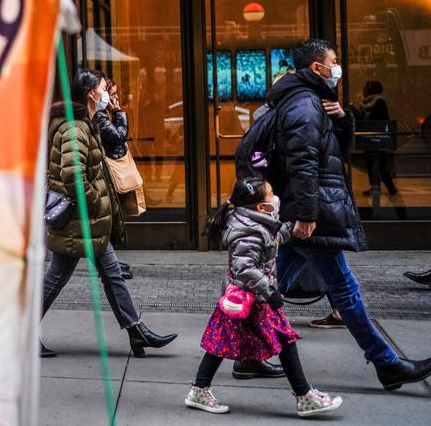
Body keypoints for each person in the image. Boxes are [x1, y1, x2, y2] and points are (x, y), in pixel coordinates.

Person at [237, 39, 431, 391]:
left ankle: (246, 356)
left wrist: (344, 119)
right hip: (312, 213)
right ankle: (387, 363)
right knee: (344, 288)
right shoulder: (304, 105)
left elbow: (331, 150)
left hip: (305, 211)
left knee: (267, 285)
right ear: (316, 68)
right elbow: (304, 163)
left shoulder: (309, 102)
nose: (337, 67)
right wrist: (309, 214)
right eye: (334, 61)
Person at [40, 69, 176, 358]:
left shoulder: (85, 124)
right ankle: (19, 334)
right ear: (91, 93)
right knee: (56, 278)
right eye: (103, 87)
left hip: (87, 220)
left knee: (112, 273)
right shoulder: (75, 129)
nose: (108, 92)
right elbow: (73, 176)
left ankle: (136, 331)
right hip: (78, 220)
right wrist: (94, 203)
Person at [185, 177, 343, 417]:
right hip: (251, 300)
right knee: (285, 342)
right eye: (271, 196)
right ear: (260, 206)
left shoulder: (256, 222)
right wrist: (269, 293)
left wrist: (292, 229)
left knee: (221, 345)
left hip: (250, 299)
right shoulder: (248, 231)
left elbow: (273, 237)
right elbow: (244, 269)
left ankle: (199, 389)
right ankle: (304, 396)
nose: (275, 199)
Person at [94, 77, 134, 280]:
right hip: (104, 173)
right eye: (112, 93)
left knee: (109, 218)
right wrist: (119, 113)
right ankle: (110, 267)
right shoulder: (101, 116)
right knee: (106, 219)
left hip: (105, 172)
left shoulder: (103, 115)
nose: (116, 98)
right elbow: (119, 137)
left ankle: (111, 265)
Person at [358, 80, 398, 196]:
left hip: (378, 139)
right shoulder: (366, 104)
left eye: (366, 88)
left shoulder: (379, 102)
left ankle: (390, 188)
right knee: (372, 164)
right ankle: (377, 187)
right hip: (370, 138)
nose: (364, 90)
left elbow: (378, 121)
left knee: (380, 165)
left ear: (371, 90)